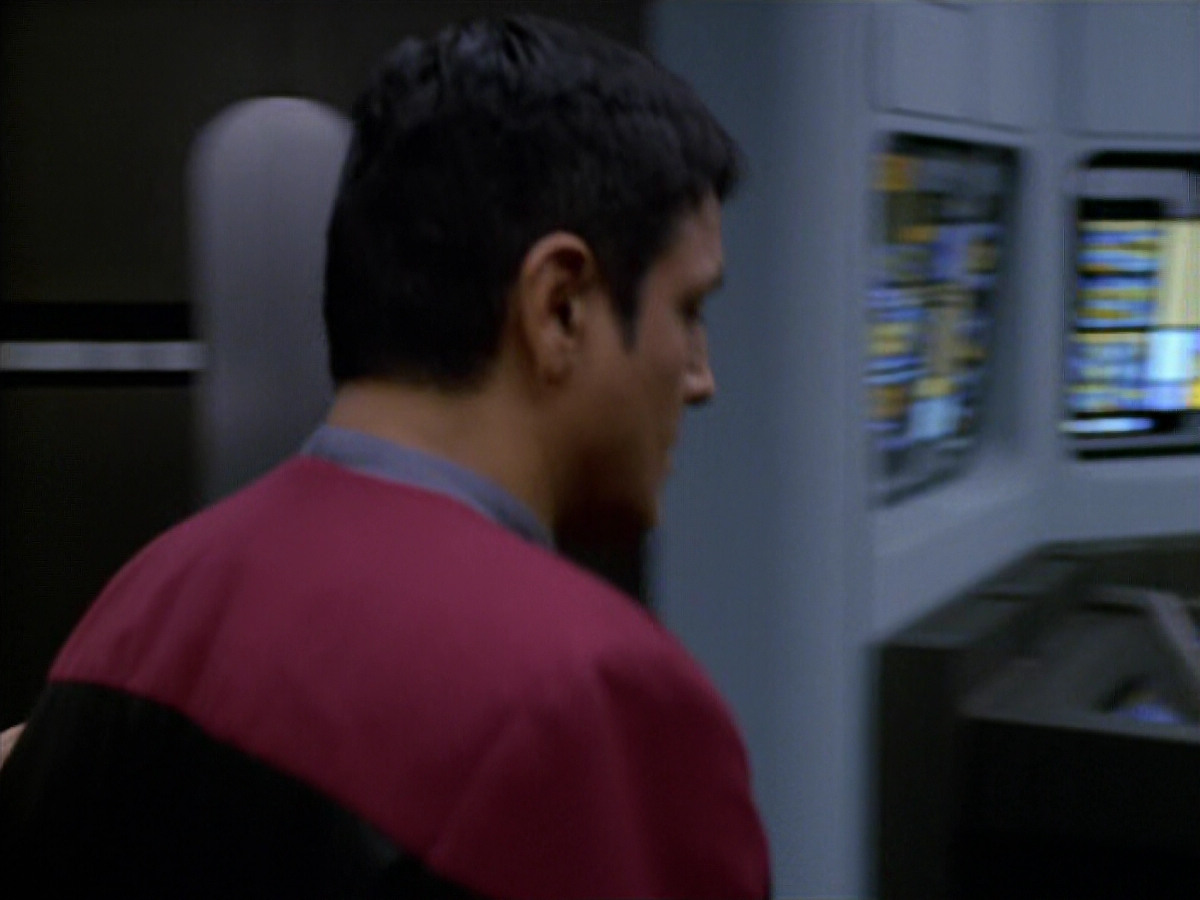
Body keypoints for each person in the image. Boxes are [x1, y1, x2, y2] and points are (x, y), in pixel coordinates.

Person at [0, 15, 770, 899]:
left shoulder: (140, 609)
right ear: (560, 308)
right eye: (688, 310)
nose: (701, 378)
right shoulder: (598, 702)